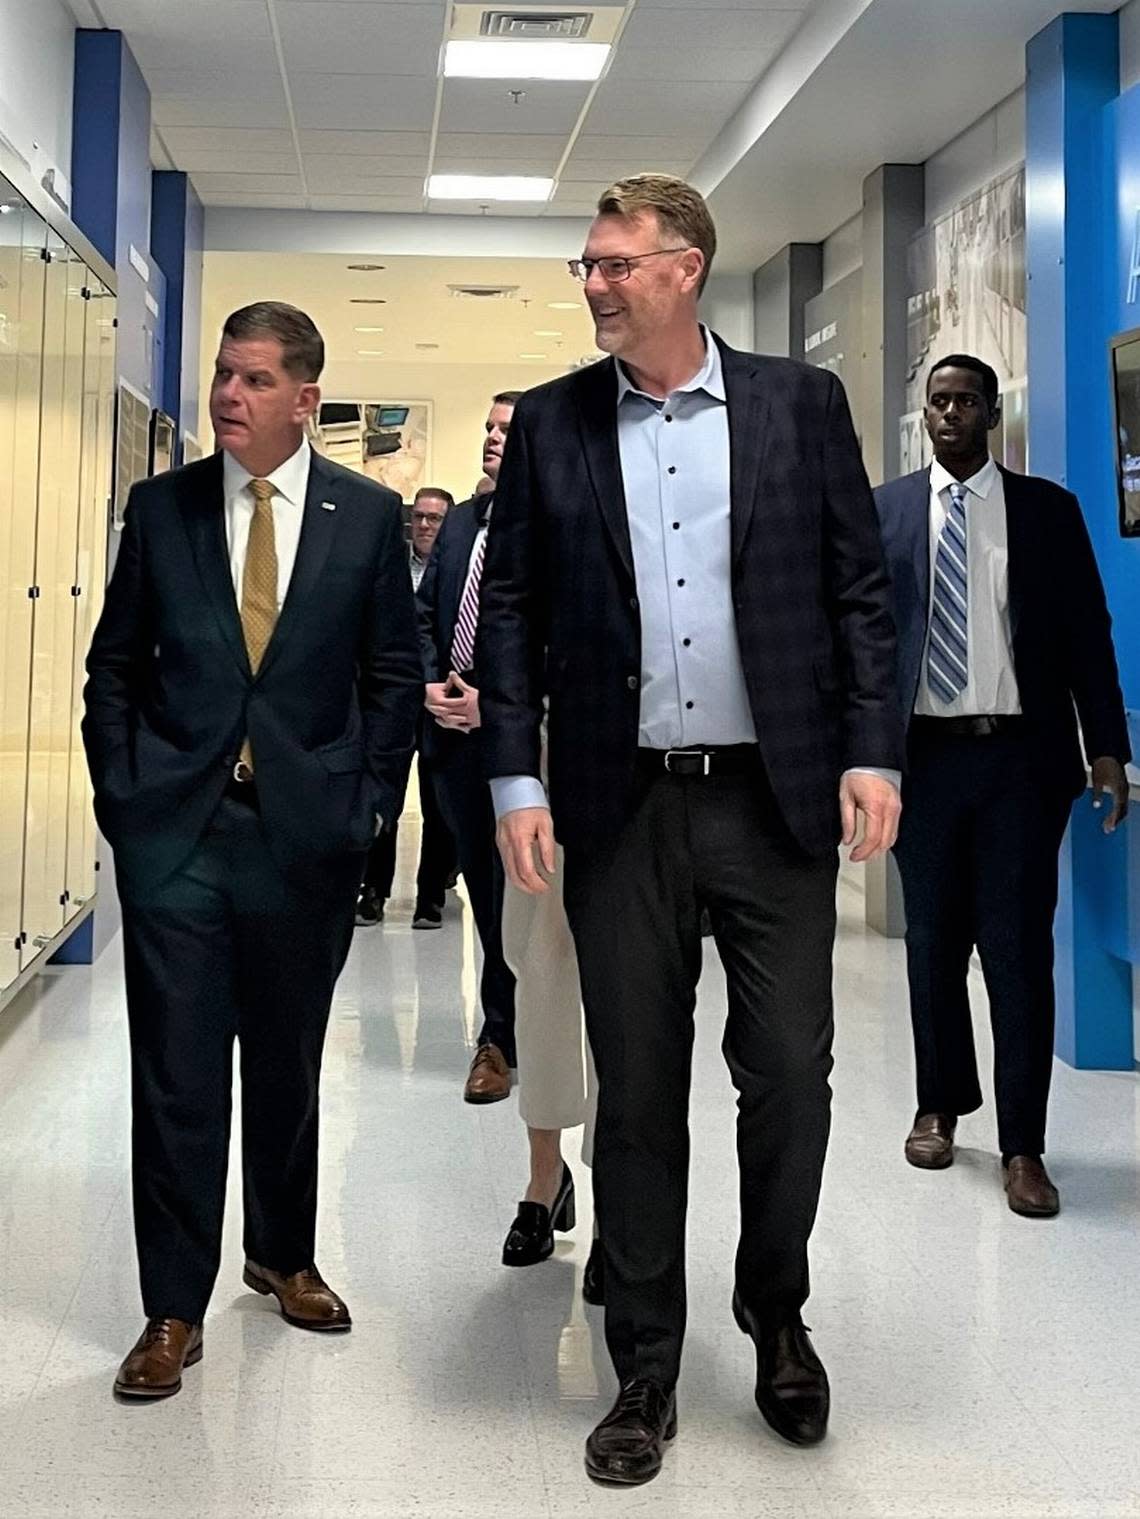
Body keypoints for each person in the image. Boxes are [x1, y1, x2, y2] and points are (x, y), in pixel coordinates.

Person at [477, 175, 903, 1485]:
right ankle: (645, 1362)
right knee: (640, 1087)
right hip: (619, 800)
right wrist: (514, 780)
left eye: (614, 262)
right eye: (586, 265)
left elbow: (857, 595)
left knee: (787, 1070)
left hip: (771, 800)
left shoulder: (798, 404)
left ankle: (774, 1309)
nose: (593, 282)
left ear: (685, 267)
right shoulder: (554, 425)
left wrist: (874, 749)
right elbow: (508, 615)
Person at [83, 301, 421, 1399]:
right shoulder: (164, 506)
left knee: (285, 1062)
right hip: (180, 834)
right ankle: (170, 1306)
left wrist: (366, 807)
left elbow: (392, 681)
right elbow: (115, 672)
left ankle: (281, 1252)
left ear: (306, 398)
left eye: (256, 379)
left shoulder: (365, 517)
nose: (230, 396)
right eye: (225, 375)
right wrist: (128, 802)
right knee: (177, 1076)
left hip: (304, 840)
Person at [875, 354, 1130, 1217]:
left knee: (1018, 951)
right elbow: (865, 649)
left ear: (991, 413)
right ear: (925, 414)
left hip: (1022, 761)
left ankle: (1025, 1144)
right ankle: (938, 1105)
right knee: (932, 944)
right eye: (937, 403)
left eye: (964, 402)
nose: (949, 415)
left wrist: (1108, 749)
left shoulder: (1047, 514)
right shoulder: (889, 512)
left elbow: (1089, 635)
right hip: (923, 762)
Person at [417, 394, 522, 1102]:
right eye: (486, 427)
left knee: (520, 894)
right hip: (450, 736)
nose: (490, 439)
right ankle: (503, 1020)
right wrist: (431, 683)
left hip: (515, 737)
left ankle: (505, 1035)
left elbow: (555, 637)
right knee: (485, 892)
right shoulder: (459, 522)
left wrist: (495, 700)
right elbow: (425, 612)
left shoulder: (547, 522)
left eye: (504, 431)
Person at [357, 486, 458, 928]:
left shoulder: (457, 568)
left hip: (440, 701)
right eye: (418, 516)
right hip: (392, 704)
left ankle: (430, 897)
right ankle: (373, 892)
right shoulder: (389, 564)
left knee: (440, 803)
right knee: (385, 796)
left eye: (434, 518)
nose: (423, 525)